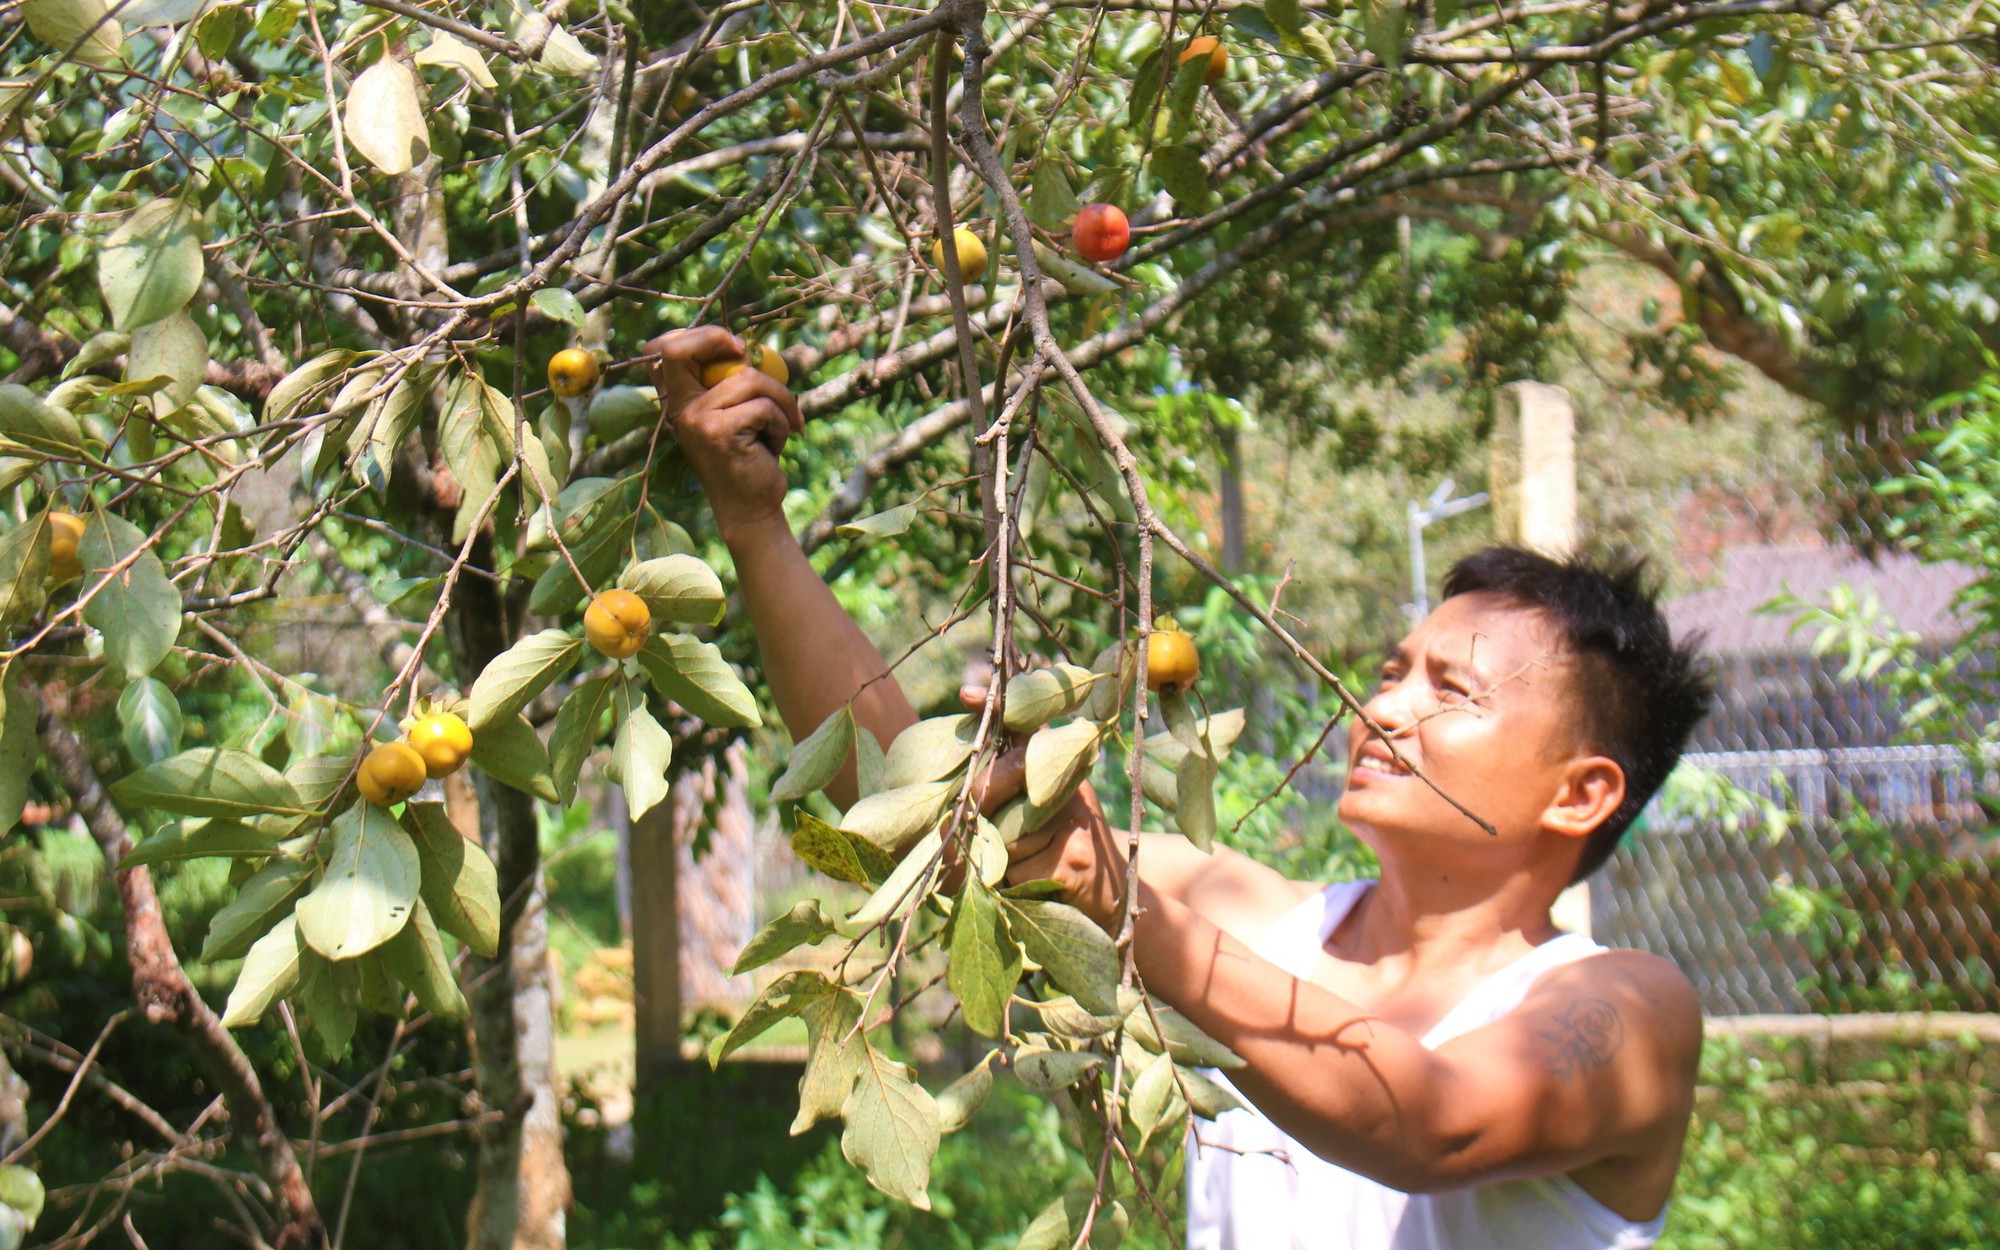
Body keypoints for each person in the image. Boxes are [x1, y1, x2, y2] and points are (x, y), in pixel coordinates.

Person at [649, 326, 1717, 1250]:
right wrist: (753, 524)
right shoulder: (1243, 915)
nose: (1381, 708)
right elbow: (901, 793)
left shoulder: (1624, 1011)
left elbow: (1424, 1120)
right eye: (1390, 671)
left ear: (1578, 793)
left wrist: (1119, 904)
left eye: (1451, 689)